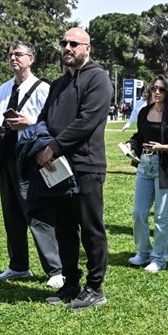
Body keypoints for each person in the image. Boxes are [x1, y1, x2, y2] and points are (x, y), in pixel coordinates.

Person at [36, 27, 112, 310]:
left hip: (86, 165)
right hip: (58, 168)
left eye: (74, 43)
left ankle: (95, 288)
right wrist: (39, 146)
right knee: (64, 229)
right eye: (64, 43)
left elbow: (87, 120)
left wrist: (53, 146)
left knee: (91, 228)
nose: (67, 47)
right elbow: (45, 119)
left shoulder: (99, 78)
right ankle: (71, 283)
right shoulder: (57, 84)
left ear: (87, 48)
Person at [0, 41, 61, 288]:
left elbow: (52, 125)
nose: (13, 58)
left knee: (36, 213)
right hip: (6, 158)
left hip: (30, 157)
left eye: (18, 54)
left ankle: (55, 270)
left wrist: (29, 123)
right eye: (10, 54)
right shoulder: (3, 89)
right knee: (11, 215)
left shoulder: (44, 90)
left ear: (31, 59)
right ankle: (18, 266)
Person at [126, 75, 168, 273]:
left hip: (166, 167)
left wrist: (164, 147)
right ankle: (143, 252)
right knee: (139, 212)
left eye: (161, 89)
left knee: (162, 216)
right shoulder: (145, 111)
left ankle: (159, 258)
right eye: (154, 89)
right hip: (145, 165)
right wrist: (131, 143)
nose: (157, 92)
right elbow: (140, 136)